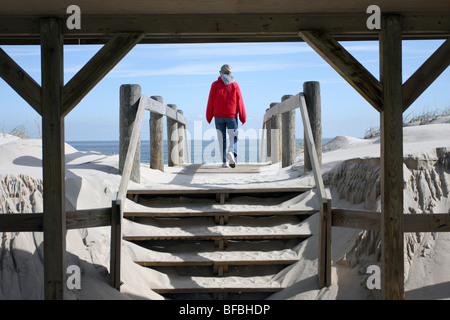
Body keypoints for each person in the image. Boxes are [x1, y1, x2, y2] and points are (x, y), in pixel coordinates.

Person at [206, 64, 246, 168]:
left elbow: (210, 101)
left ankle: (224, 162)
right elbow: (240, 101)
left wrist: (209, 116)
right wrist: (242, 116)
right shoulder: (235, 85)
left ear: (222, 72)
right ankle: (232, 153)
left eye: (220, 72)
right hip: (231, 116)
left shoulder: (214, 84)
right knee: (233, 137)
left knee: (221, 139)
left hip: (218, 116)